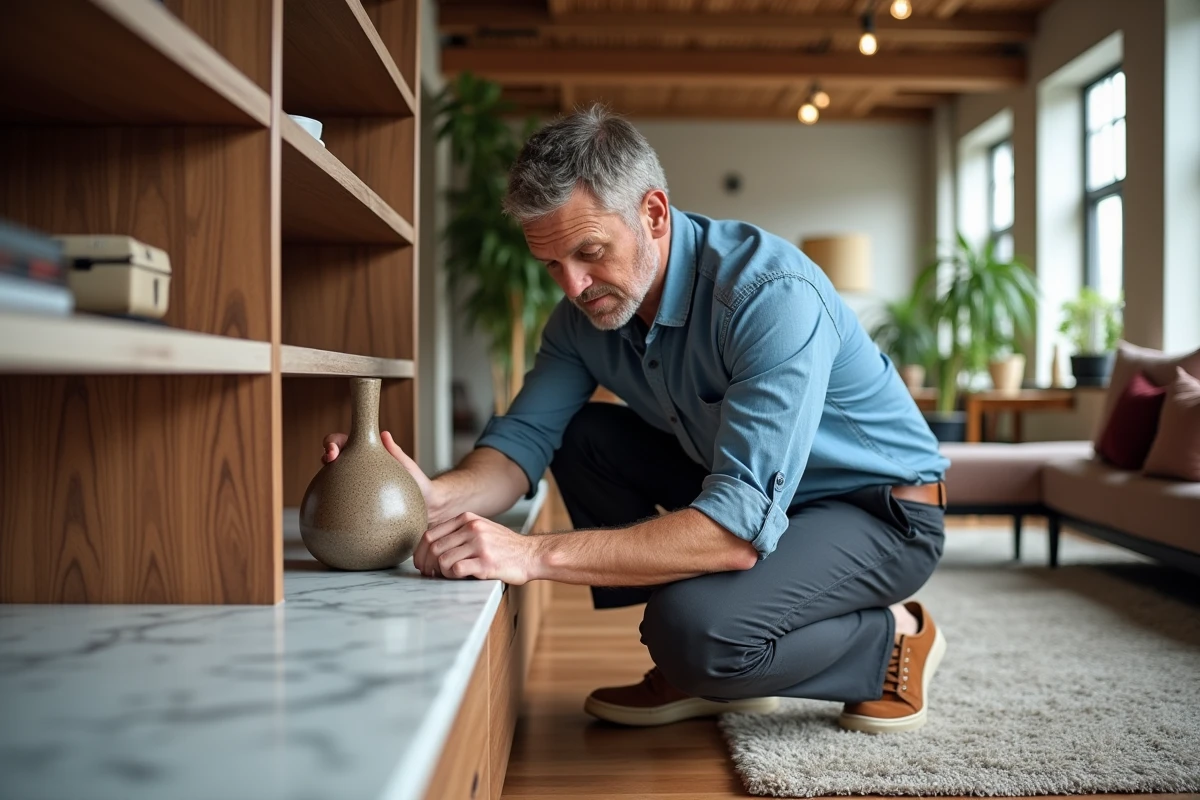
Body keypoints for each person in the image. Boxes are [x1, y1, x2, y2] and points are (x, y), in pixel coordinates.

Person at [322, 105, 951, 734]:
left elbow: (735, 531)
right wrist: (432, 495)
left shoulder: (769, 296)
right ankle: (723, 650)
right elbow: (523, 442)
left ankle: (889, 639)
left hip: (878, 512)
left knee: (692, 631)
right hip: (749, 495)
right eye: (551, 264)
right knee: (584, 436)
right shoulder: (583, 319)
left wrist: (531, 554)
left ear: (652, 213)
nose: (572, 285)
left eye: (589, 252)